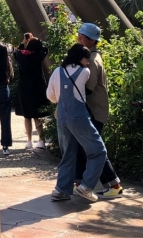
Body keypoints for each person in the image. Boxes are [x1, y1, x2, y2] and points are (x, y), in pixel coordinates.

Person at [47, 44, 110, 203]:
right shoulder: (85, 72)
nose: (88, 62)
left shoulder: (57, 71)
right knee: (98, 151)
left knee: (68, 154)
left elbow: (50, 96)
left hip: (61, 117)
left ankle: (61, 190)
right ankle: (86, 186)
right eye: (86, 58)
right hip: (79, 117)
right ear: (79, 57)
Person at [73, 23, 123, 198]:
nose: (79, 38)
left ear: (92, 41)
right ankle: (79, 182)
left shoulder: (92, 60)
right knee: (85, 147)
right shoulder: (92, 57)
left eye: (82, 37)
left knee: (94, 149)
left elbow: (89, 88)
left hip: (94, 112)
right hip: (93, 111)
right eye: (79, 35)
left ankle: (114, 185)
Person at [13, 35, 49, 150]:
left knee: (27, 116)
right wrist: (37, 42)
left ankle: (29, 141)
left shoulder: (21, 56)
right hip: (37, 87)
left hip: (24, 88)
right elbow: (45, 50)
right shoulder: (38, 56)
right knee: (37, 116)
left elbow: (16, 52)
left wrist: (23, 43)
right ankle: (41, 140)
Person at [0, 30, 14, 156]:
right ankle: (5, 145)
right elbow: (9, 69)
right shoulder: (2, 49)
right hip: (2, 85)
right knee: (5, 118)